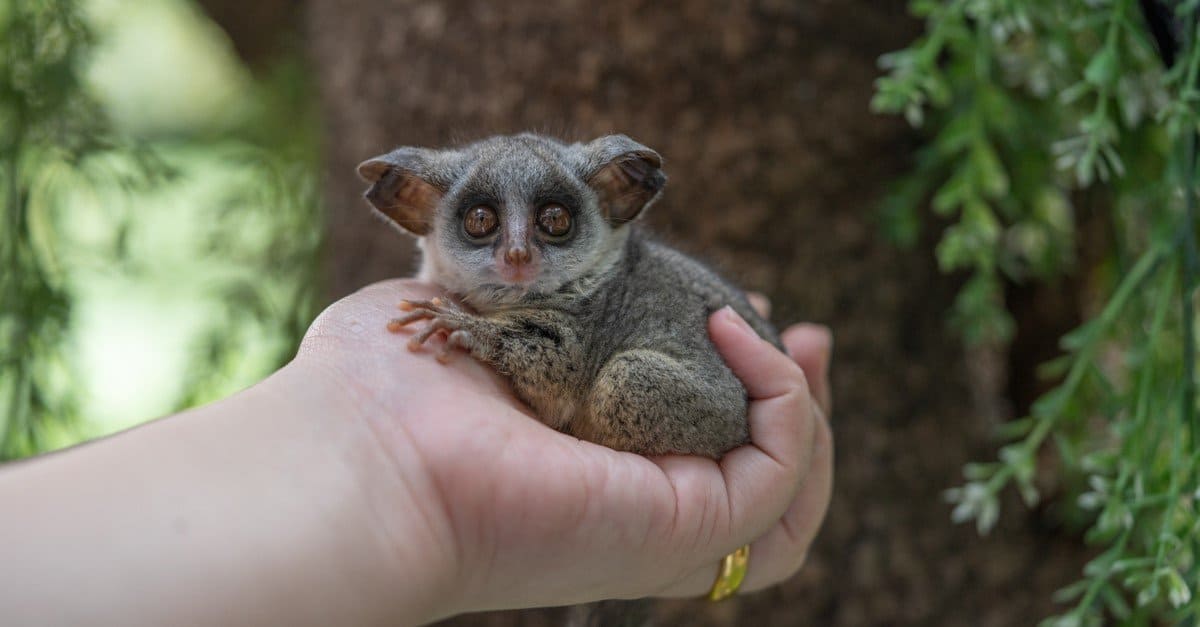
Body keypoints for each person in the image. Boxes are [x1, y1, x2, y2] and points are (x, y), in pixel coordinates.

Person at [0, 279, 833, 626]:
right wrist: (396, 462)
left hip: (671, 384)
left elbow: (555, 364)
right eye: (480, 225)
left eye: (549, 226)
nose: (514, 255)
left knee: (615, 389)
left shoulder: (579, 294)